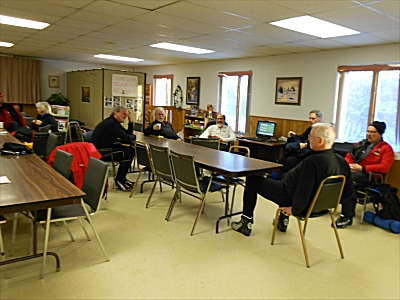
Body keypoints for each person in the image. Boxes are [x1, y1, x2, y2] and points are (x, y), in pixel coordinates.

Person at [232, 123, 354, 237]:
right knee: (284, 176)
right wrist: (325, 203)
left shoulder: (312, 163)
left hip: (287, 195)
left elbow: (303, 191)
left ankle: (245, 222)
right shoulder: (341, 161)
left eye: (310, 137)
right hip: (320, 205)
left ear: (320, 141)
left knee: (253, 179)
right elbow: (348, 192)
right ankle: (282, 220)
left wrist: (295, 210)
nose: (308, 140)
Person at [335, 121, 395, 228]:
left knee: (350, 181)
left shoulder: (386, 148)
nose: (369, 134)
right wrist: (349, 165)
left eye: (373, 132)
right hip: (354, 170)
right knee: (333, 173)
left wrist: (363, 168)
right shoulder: (360, 144)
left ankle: (347, 216)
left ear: (380, 133)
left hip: (370, 176)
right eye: (368, 131)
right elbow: (349, 155)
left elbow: (384, 167)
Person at [91, 106, 136, 191]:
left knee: (129, 149)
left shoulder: (114, 122)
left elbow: (126, 133)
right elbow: (126, 138)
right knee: (128, 152)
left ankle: (122, 178)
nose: (125, 116)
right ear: (116, 113)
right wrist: (133, 137)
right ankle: (119, 180)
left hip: (105, 148)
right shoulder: (111, 124)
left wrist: (130, 121)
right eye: (123, 113)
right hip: (101, 152)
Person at [279, 109, 323, 175]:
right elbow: (302, 137)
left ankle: (286, 177)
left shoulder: (321, 130)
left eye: (313, 119)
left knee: (291, 159)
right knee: (288, 151)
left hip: (311, 153)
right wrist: (294, 135)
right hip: (304, 148)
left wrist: (306, 145)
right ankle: (280, 174)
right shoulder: (310, 128)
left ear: (319, 119)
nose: (311, 120)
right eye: (310, 118)